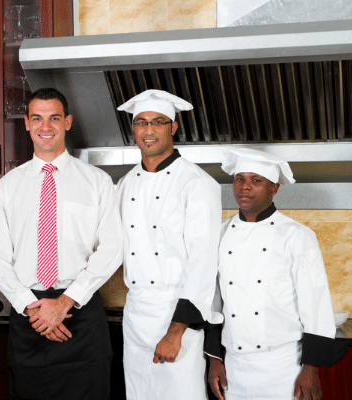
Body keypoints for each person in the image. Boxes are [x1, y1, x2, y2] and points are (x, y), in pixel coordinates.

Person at [0, 87, 123, 400]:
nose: (45, 126)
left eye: (54, 118)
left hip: (80, 312)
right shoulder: (7, 186)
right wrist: (30, 306)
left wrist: (65, 302)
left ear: (68, 122)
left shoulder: (97, 182)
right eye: (37, 118)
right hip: (28, 316)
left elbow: (112, 248)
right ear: (27, 123)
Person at [207, 148, 347, 400]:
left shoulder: (297, 235)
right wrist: (215, 360)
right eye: (239, 179)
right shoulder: (220, 233)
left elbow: (315, 305)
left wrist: (311, 369)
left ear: (274, 188)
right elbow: (212, 302)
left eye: (256, 180)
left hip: (284, 368)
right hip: (234, 369)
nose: (244, 187)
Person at [116, 89, 222, 400]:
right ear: (133, 128)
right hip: (136, 317)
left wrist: (175, 332)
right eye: (141, 122)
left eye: (158, 122)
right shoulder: (124, 184)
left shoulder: (196, 183)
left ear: (173, 127)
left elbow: (203, 261)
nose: (148, 130)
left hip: (178, 318)